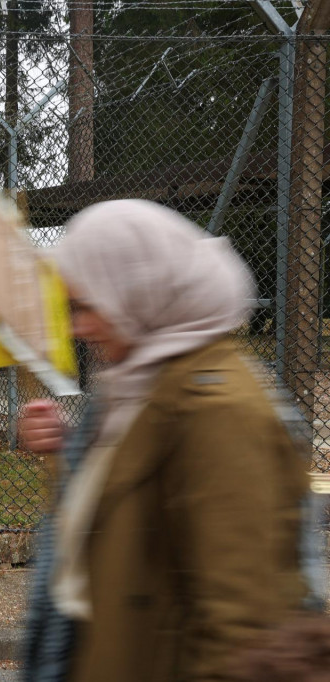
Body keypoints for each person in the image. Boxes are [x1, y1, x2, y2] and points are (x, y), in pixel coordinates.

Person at [18, 199, 320, 682]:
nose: (79, 326)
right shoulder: (139, 384)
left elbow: (240, 634)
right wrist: (64, 450)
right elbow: (118, 523)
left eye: (89, 305)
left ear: (139, 293)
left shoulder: (218, 411)